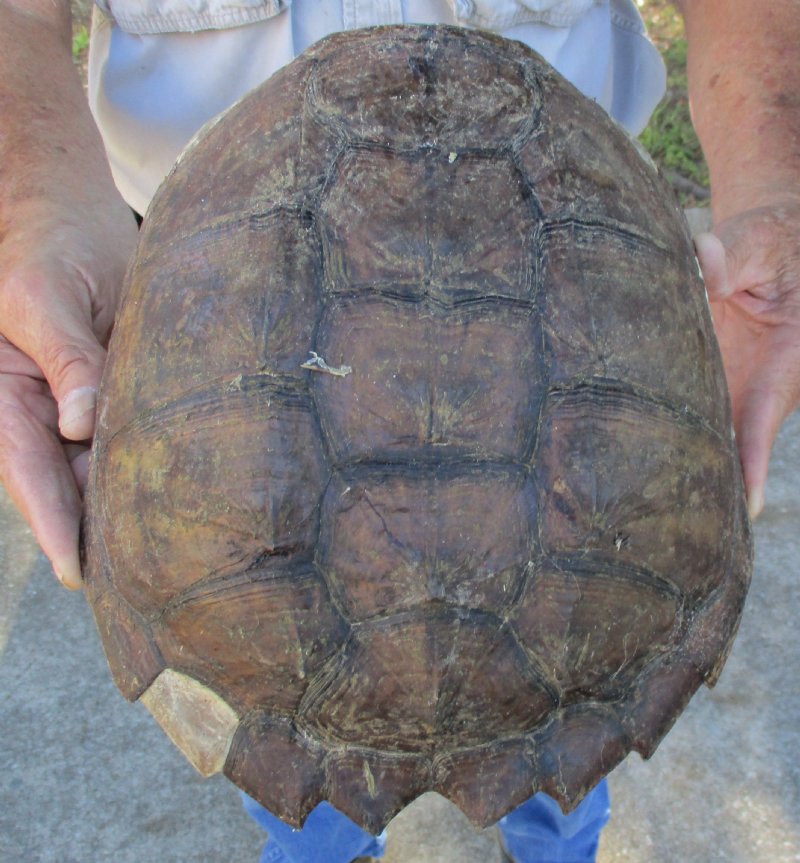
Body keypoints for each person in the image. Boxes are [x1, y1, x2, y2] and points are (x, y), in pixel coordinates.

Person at [0, 1, 797, 861]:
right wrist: (33, 192)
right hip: (232, 281)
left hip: (572, 283)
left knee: (572, 731)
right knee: (319, 798)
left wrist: (774, 182)